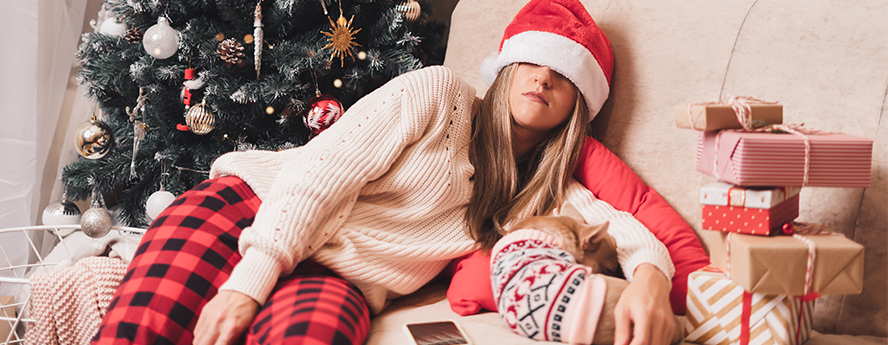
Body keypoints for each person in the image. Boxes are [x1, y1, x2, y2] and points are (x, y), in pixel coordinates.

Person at [92, 0, 678, 344]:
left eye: (564, 74)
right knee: (145, 326)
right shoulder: (437, 93)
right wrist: (250, 284)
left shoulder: (541, 195)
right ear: (504, 69)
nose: (544, 78)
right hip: (254, 209)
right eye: (532, 61)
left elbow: (626, 227)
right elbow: (321, 173)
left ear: (580, 106)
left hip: (340, 279)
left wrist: (652, 280)